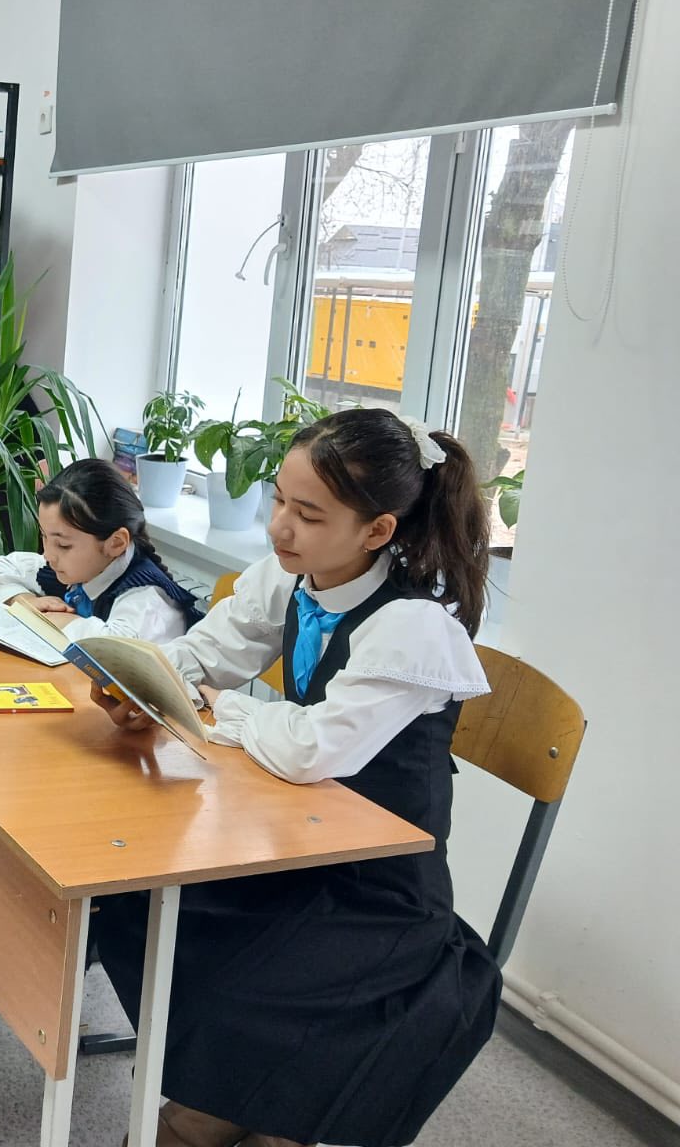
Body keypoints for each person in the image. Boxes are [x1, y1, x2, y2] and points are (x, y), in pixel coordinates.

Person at [89, 408, 499, 1147]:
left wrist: (218, 706)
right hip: (295, 844)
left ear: (377, 531)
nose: (281, 526)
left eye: (309, 515)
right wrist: (148, 684)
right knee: (131, 904)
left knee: (243, 990)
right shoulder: (294, 580)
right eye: (279, 499)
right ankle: (225, 1105)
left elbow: (311, 751)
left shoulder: (411, 628)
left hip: (376, 891)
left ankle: (236, 1114)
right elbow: (206, 652)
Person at [0, 457, 200, 644]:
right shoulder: (77, 568)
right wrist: (23, 600)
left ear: (115, 543)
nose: (48, 555)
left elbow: (117, 650)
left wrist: (54, 619)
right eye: (44, 536)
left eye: (63, 545)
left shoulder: (148, 601)